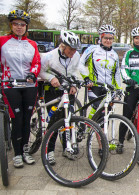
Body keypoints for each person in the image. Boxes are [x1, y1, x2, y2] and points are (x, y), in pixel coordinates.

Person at [0, 10, 41, 168]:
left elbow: (36, 62)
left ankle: (25, 151)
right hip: (10, 85)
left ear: (26, 27)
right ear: (11, 25)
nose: (19, 27)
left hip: (29, 85)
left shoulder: (32, 44)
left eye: (22, 24)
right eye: (16, 24)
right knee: (16, 119)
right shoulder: (3, 41)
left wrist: (33, 73)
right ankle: (17, 153)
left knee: (26, 119)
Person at [40, 30, 87, 165]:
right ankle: (49, 151)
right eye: (70, 50)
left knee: (68, 119)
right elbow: (41, 71)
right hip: (52, 90)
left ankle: (68, 147)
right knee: (54, 121)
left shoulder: (76, 55)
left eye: (75, 50)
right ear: (62, 46)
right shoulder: (49, 56)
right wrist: (51, 78)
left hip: (68, 90)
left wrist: (74, 85)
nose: (73, 53)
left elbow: (73, 71)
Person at [80, 24, 122, 119]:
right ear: (101, 37)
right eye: (105, 38)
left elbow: (117, 73)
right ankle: (88, 129)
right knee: (97, 109)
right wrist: (86, 78)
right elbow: (80, 63)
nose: (108, 40)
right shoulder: (92, 49)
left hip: (109, 88)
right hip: (94, 86)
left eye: (110, 38)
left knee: (106, 114)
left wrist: (119, 89)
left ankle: (100, 133)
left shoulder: (114, 55)